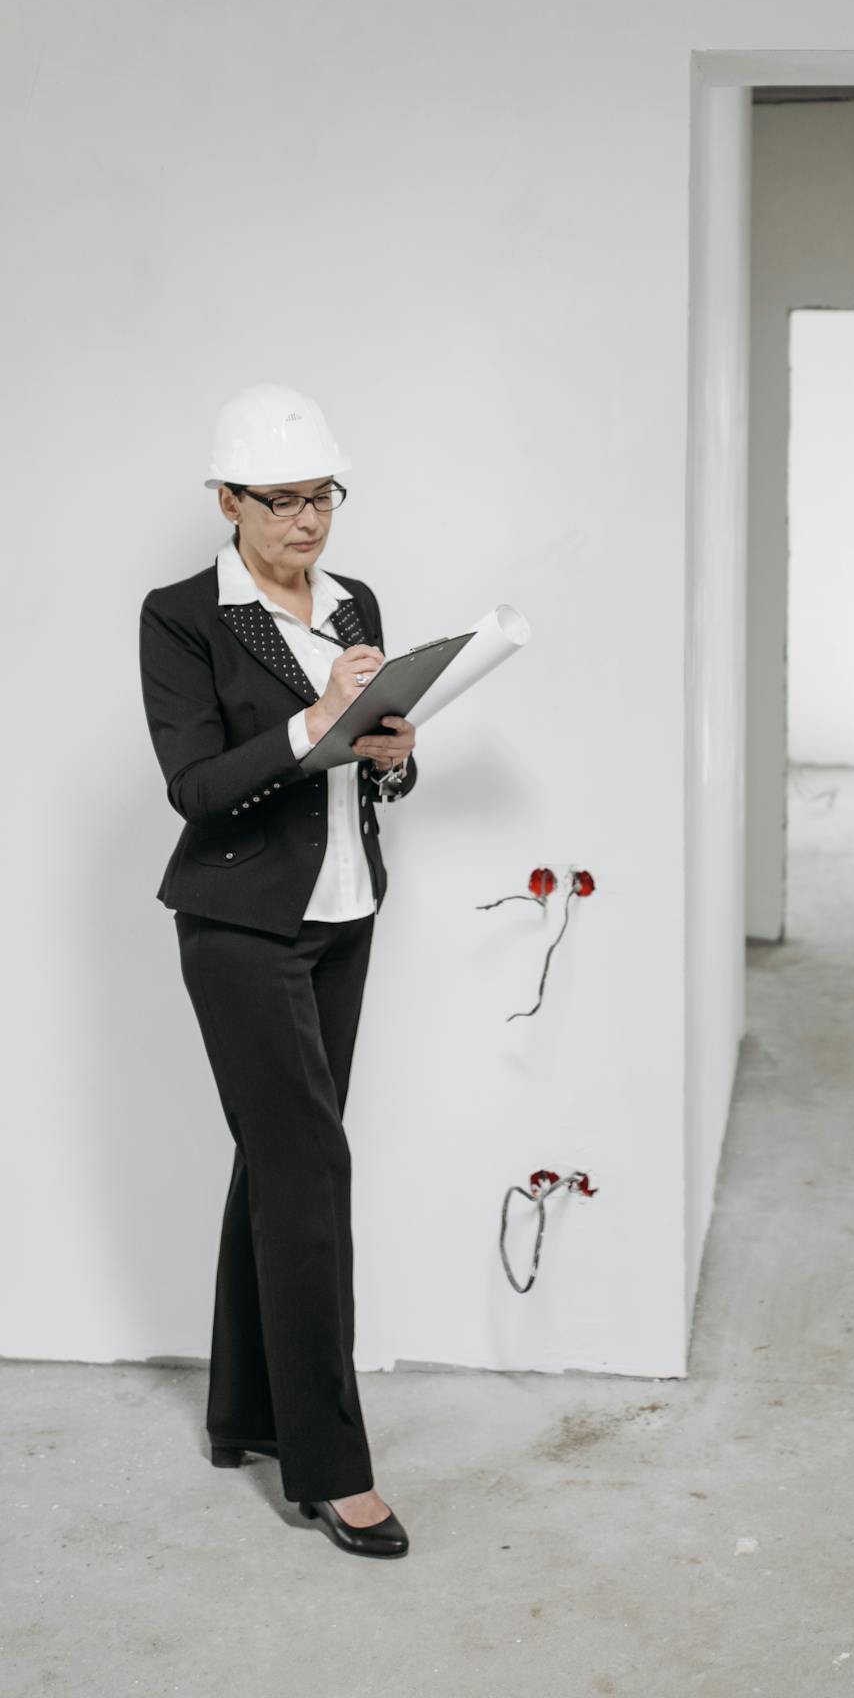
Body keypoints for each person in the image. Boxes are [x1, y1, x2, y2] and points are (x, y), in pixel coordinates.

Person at [139, 382, 418, 1559]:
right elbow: (197, 788)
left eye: (322, 496)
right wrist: (319, 723)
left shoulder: (353, 599)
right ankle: (331, 1466)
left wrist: (393, 749)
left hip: (343, 914)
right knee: (310, 1177)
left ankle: (243, 1409)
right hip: (239, 925)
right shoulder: (184, 616)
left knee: (276, 1161)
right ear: (229, 499)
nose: (309, 521)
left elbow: (368, 769)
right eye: (283, 500)